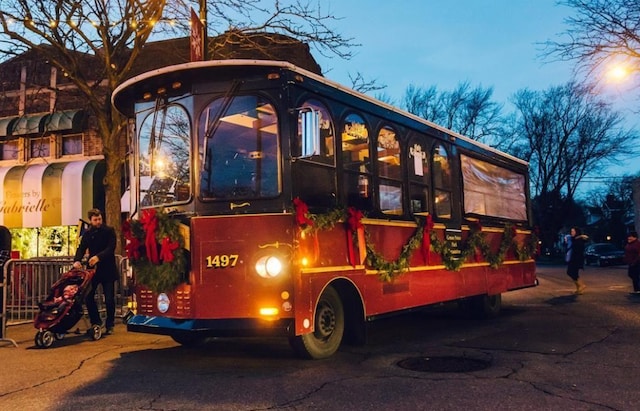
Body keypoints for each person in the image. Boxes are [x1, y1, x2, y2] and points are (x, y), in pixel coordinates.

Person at [73, 208, 118, 335]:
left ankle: (110, 324)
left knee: (109, 299)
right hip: (93, 270)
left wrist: (99, 257)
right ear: (90, 220)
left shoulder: (109, 231)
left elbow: (111, 248)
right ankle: (96, 322)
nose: (98, 222)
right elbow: (81, 248)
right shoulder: (87, 234)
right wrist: (77, 260)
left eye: (99, 219)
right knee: (88, 296)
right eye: (95, 220)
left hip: (107, 268)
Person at [566, 226, 588, 295]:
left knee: (571, 272)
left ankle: (581, 286)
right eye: (571, 231)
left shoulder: (579, 240)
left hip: (576, 259)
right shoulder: (574, 239)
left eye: (573, 231)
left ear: (576, 232)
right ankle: (579, 288)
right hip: (573, 258)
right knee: (573, 273)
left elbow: (578, 249)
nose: (571, 233)